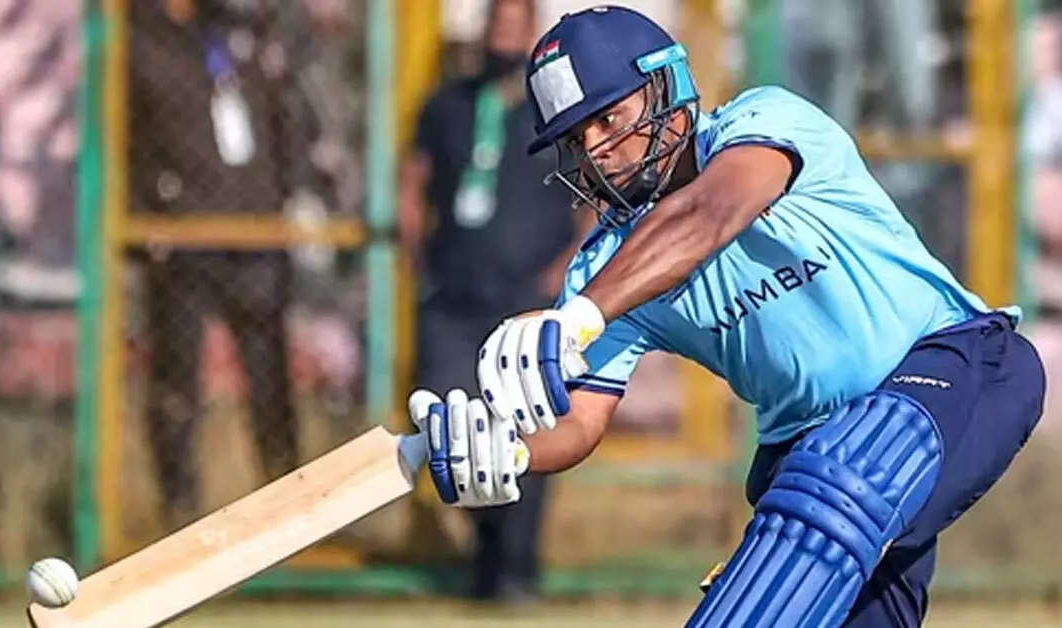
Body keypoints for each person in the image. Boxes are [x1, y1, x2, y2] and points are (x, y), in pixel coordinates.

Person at [406, 5, 1046, 627]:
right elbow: (580, 420)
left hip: (959, 368)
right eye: (577, 138)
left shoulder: (764, 122)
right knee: (828, 503)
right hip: (812, 453)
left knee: (845, 471)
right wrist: (509, 451)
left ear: (664, 86)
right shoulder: (607, 267)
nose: (597, 150)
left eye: (608, 118)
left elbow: (709, 213)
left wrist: (578, 317)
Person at [398, 0, 590, 605]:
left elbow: (593, 197)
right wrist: (419, 259)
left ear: (532, 32)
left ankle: (514, 568)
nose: (504, 35)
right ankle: (486, 550)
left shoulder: (555, 111)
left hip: (529, 299)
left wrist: (563, 273)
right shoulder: (447, 104)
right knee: (450, 422)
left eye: (515, 24)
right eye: (497, 23)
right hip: (454, 296)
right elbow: (413, 181)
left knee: (530, 425)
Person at [127, 0, 325, 526]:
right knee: (176, 382)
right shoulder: (137, 43)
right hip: (182, 238)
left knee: (270, 380)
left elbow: (287, 121)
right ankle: (178, 511)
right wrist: (146, 223)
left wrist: (294, 194)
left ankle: (289, 510)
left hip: (255, 232)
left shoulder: (240, 37)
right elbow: (122, 143)